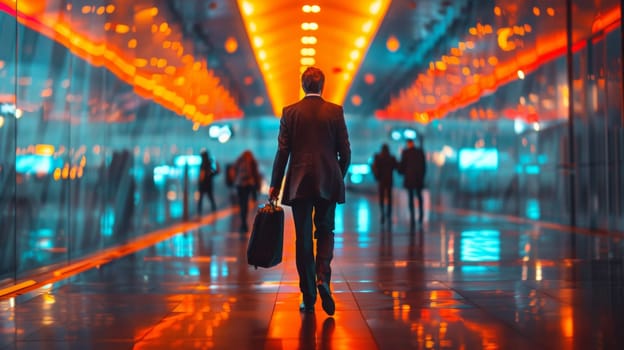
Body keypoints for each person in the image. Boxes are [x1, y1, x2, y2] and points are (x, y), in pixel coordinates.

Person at [269, 67, 351, 316]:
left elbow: (283, 152)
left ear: (303, 86)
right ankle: (322, 278)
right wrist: (337, 175)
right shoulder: (335, 112)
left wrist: (275, 184)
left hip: (299, 183)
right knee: (326, 230)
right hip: (328, 180)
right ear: (322, 86)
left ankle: (308, 295)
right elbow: (345, 152)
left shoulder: (290, 112)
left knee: (303, 238)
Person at [398, 139, 427, 227]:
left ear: (408, 144)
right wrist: (422, 176)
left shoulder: (406, 153)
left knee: (410, 198)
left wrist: (401, 171)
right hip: (418, 178)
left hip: (409, 178)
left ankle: (412, 216)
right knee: (419, 196)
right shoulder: (419, 152)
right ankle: (421, 215)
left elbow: (402, 166)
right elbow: (424, 166)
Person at [234, 150, 261, 232]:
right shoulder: (252, 161)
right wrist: (257, 186)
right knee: (245, 204)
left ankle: (243, 223)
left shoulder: (239, 160)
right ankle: (244, 224)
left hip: (239, 184)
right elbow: (255, 174)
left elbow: (234, 170)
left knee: (242, 204)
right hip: (248, 184)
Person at [371, 144, 397, 225]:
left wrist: (377, 176)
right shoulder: (391, 158)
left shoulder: (379, 158)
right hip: (389, 180)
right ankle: (388, 215)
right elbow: (396, 166)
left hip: (381, 180)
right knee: (389, 197)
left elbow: (374, 167)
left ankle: (382, 214)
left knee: (381, 198)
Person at [197, 150, 219, 215]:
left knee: (201, 199)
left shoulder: (204, 164)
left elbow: (202, 175)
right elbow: (215, 172)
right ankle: (214, 211)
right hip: (208, 184)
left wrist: (200, 181)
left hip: (203, 185)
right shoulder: (209, 163)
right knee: (210, 198)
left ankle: (199, 213)